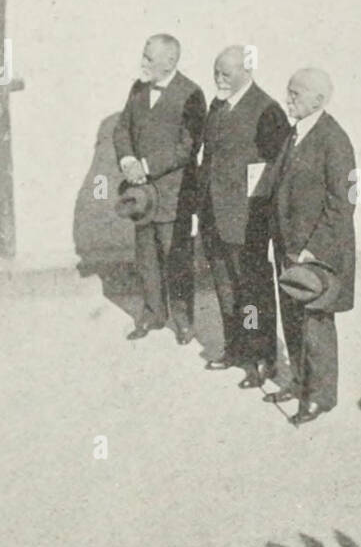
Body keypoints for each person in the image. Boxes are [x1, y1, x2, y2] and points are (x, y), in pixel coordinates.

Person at [198, 45, 290, 386]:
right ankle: (234, 348)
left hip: (245, 218)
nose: (218, 80)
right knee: (224, 285)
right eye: (216, 72)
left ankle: (262, 356)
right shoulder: (218, 104)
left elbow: (277, 169)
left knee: (253, 291)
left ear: (246, 71)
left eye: (226, 74)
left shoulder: (267, 110)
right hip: (213, 214)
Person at [269, 68, 357, 427]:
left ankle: (321, 396)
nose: (288, 99)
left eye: (296, 94)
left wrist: (313, 249)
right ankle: (300, 382)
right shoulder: (295, 133)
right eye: (288, 92)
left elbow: (344, 202)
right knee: (291, 316)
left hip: (317, 253)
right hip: (288, 245)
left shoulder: (335, 140)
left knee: (315, 324)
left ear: (318, 101)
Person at [113, 33, 207, 343]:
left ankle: (183, 321)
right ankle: (153, 314)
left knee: (176, 259)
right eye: (143, 55)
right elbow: (122, 128)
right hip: (140, 195)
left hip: (173, 195)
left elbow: (188, 147)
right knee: (146, 257)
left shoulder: (191, 93)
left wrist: (147, 166)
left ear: (170, 62)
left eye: (149, 58)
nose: (142, 63)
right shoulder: (138, 88)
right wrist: (127, 160)